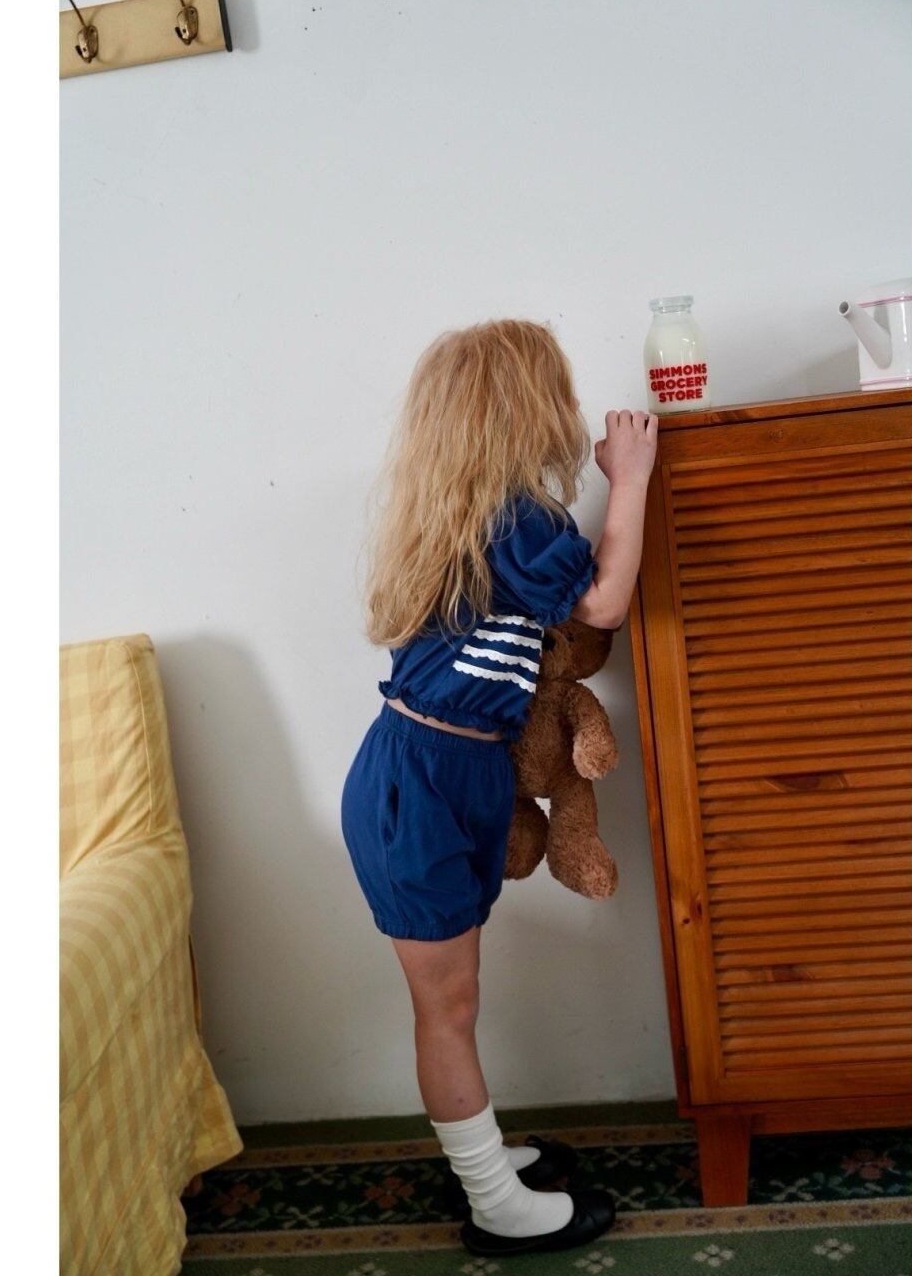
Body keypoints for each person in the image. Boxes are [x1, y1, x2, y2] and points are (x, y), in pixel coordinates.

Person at [341, 319, 657, 1257]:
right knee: (448, 1007)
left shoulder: (477, 517)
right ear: (524, 408)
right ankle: (495, 1206)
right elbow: (604, 603)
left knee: (458, 999)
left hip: (451, 770)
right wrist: (630, 478)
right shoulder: (514, 519)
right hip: (421, 782)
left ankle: (484, 1159)